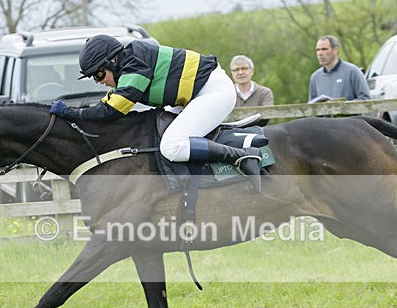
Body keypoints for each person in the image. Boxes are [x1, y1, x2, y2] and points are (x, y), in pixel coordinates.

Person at [50, 35, 263, 191]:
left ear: (112, 61)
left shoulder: (135, 64)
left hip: (213, 91)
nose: (99, 81)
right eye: (93, 78)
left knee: (171, 147)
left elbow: (111, 111)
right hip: (195, 93)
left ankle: (242, 157)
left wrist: (69, 113)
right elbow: (104, 105)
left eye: (98, 74)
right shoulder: (128, 65)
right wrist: (74, 113)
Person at [308, 35, 370, 103]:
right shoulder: (315, 77)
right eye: (318, 50)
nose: (320, 53)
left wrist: (342, 106)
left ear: (335, 50)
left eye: (324, 49)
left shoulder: (352, 71)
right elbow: (312, 106)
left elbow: (366, 99)